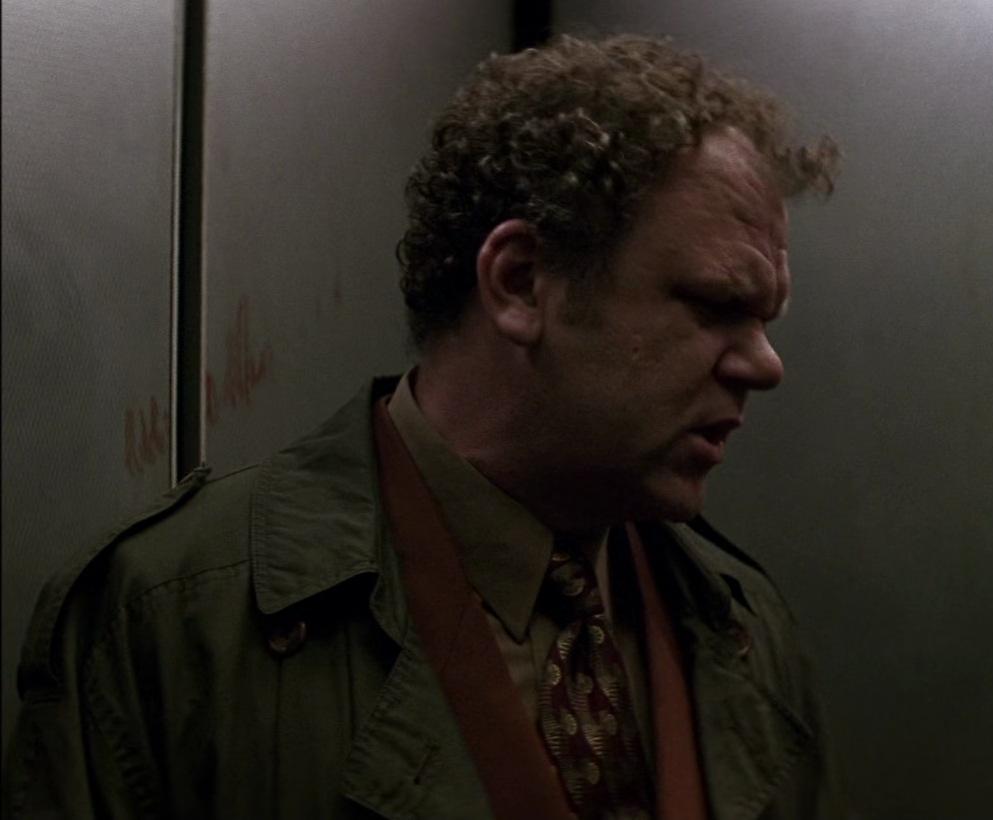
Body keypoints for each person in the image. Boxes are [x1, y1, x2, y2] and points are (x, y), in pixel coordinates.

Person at [3, 34, 840, 819]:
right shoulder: (176, 620)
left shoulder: (741, 626)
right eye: (716, 307)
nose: (764, 365)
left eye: (765, 320)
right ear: (520, 282)